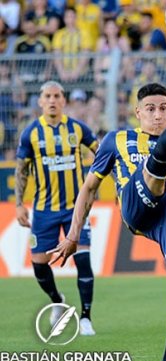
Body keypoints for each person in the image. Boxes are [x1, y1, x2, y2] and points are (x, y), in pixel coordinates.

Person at [48, 75, 166, 361]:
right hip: (134, 202)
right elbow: (89, 188)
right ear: (137, 113)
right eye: (150, 109)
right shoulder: (117, 140)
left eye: (164, 109)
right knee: (154, 174)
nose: (156, 114)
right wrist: (72, 234)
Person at [15, 80, 98, 336]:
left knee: (83, 259)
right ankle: (57, 300)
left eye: (57, 96)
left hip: (76, 208)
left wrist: (95, 184)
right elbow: (22, 170)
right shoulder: (30, 133)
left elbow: (101, 153)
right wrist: (19, 204)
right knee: (39, 264)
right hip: (43, 210)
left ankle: (85, 318)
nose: (52, 100)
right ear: (40, 101)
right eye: (47, 96)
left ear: (64, 100)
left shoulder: (77, 129)